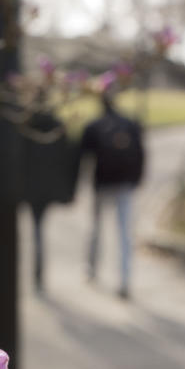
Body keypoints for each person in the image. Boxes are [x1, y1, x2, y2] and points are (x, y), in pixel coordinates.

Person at [79, 90, 145, 299]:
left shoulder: (94, 126)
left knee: (96, 229)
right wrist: (136, 181)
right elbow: (142, 154)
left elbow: (81, 157)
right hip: (124, 184)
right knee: (124, 233)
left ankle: (91, 269)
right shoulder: (129, 124)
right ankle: (124, 279)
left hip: (103, 184)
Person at [20, 103, 75, 293]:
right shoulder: (57, 126)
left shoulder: (25, 126)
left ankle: (38, 271)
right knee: (38, 229)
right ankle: (38, 271)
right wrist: (67, 192)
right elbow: (68, 160)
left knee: (36, 228)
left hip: (30, 188)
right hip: (50, 188)